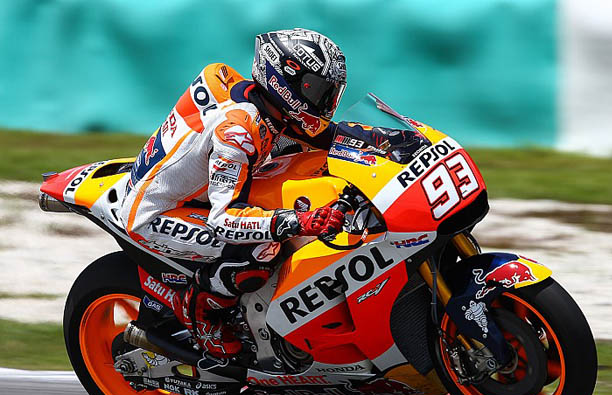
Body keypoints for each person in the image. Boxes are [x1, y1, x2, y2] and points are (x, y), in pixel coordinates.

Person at [120, 28, 422, 359]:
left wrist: (394, 142)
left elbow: (331, 138)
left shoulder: (268, 105)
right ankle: (202, 311)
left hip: (197, 190)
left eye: (330, 92)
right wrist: (301, 221)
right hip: (158, 214)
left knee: (313, 163)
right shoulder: (237, 134)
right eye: (316, 89)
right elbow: (224, 221)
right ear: (284, 79)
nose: (325, 101)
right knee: (262, 247)